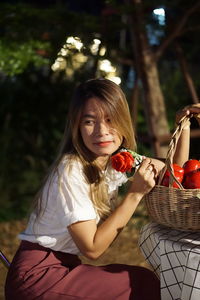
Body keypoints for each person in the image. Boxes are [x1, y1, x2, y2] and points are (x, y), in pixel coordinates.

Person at [5, 78, 200, 300]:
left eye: (110, 119)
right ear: (76, 126)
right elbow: (93, 249)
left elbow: (175, 176)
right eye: (89, 122)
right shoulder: (71, 171)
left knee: (145, 281)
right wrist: (134, 195)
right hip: (38, 277)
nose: (102, 131)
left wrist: (183, 126)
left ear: (123, 120)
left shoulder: (118, 160)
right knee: (140, 284)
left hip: (64, 268)